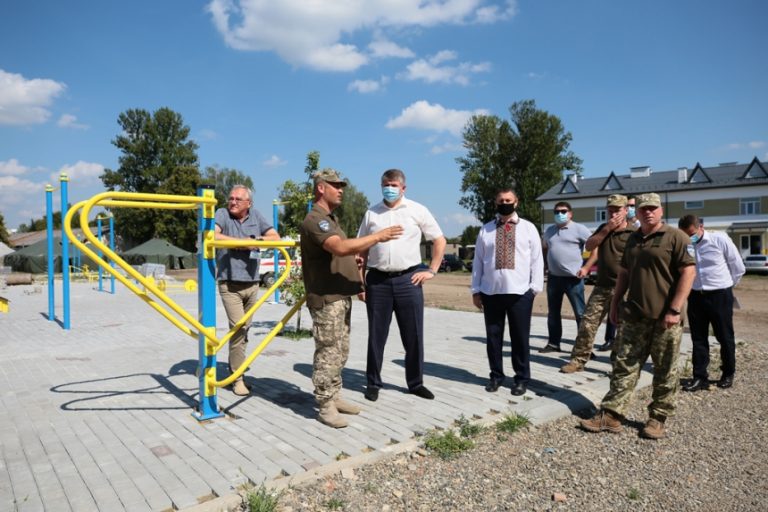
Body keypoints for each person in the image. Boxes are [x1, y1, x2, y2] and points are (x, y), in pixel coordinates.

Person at [581, 193, 695, 439]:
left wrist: (675, 308)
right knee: (624, 365)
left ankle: (657, 418)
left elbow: (689, 273)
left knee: (665, 370)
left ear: (661, 210)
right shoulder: (633, 239)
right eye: (643, 209)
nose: (648, 213)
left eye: (653, 208)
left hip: (666, 317)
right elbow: (623, 273)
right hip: (634, 314)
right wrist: (615, 303)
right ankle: (612, 415)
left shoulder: (677, 237)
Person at [300, 168, 403, 428]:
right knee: (328, 352)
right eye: (335, 185)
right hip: (326, 298)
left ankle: (334, 395)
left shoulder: (330, 219)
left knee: (340, 351)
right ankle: (324, 404)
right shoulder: (316, 219)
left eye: (341, 185)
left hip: (339, 296)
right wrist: (378, 236)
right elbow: (339, 246)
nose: (341, 189)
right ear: (321, 188)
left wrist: (351, 258)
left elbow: (339, 252)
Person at [357, 169, 446, 402]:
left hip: (409, 279)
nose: (390, 188)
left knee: (413, 335)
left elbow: (439, 239)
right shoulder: (371, 213)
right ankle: (373, 383)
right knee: (376, 335)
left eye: (394, 185)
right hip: (377, 281)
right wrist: (360, 282)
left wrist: (432, 270)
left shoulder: (417, 210)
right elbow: (362, 248)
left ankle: (415, 383)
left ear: (403, 188)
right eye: (385, 184)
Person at [470, 188, 544, 396]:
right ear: (496, 203)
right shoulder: (486, 230)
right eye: (501, 200)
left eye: (508, 200)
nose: (505, 203)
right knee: (493, 337)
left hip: (520, 292)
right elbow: (478, 262)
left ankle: (521, 378)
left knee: (520, 338)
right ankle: (496, 376)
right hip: (491, 292)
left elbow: (537, 260)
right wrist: (476, 290)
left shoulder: (529, 229)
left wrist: (534, 288)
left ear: (516, 202)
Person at [215, 185, 280, 396]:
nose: (232, 202)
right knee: (239, 329)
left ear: (248, 203)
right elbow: (214, 236)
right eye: (231, 198)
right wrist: (241, 244)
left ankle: (234, 371)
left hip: (252, 284)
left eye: (238, 199)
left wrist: (256, 241)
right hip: (230, 283)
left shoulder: (256, 216)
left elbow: (275, 238)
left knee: (243, 332)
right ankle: (237, 379)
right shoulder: (223, 214)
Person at [560, 194, 634, 373]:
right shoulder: (603, 228)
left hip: (625, 289)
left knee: (623, 329)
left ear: (626, 210)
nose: (613, 213)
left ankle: (618, 364)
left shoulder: (634, 233)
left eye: (617, 210)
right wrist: (606, 229)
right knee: (587, 323)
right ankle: (578, 360)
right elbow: (590, 246)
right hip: (602, 286)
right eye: (610, 210)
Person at [678, 215, 745, 391]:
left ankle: (728, 373)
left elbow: (737, 267)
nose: (689, 238)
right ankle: (700, 377)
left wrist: (726, 287)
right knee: (698, 338)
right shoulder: (684, 244)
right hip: (695, 296)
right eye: (685, 235)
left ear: (701, 227)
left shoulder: (719, 239)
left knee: (724, 337)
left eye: (691, 233)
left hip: (720, 295)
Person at [540, 201, 592, 353]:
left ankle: (584, 348)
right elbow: (544, 248)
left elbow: (595, 247)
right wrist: (545, 264)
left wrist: (586, 267)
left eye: (563, 211)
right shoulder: (549, 231)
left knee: (581, 314)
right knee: (553, 312)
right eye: (556, 212)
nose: (559, 214)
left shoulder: (579, 229)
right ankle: (554, 343)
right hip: (554, 279)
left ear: (570, 213)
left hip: (573, 279)